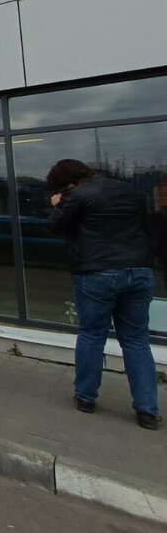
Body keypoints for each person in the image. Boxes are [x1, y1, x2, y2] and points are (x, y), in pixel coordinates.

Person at [46, 159, 160, 430]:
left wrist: (57, 205)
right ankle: (147, 411)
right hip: (139, 271)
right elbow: (147, 227)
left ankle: (86, 397)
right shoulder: (129, 191)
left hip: (98, 273)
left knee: (92, 335)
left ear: (67, 182)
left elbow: (57, 226)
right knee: (136, 341)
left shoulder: (77, 195)